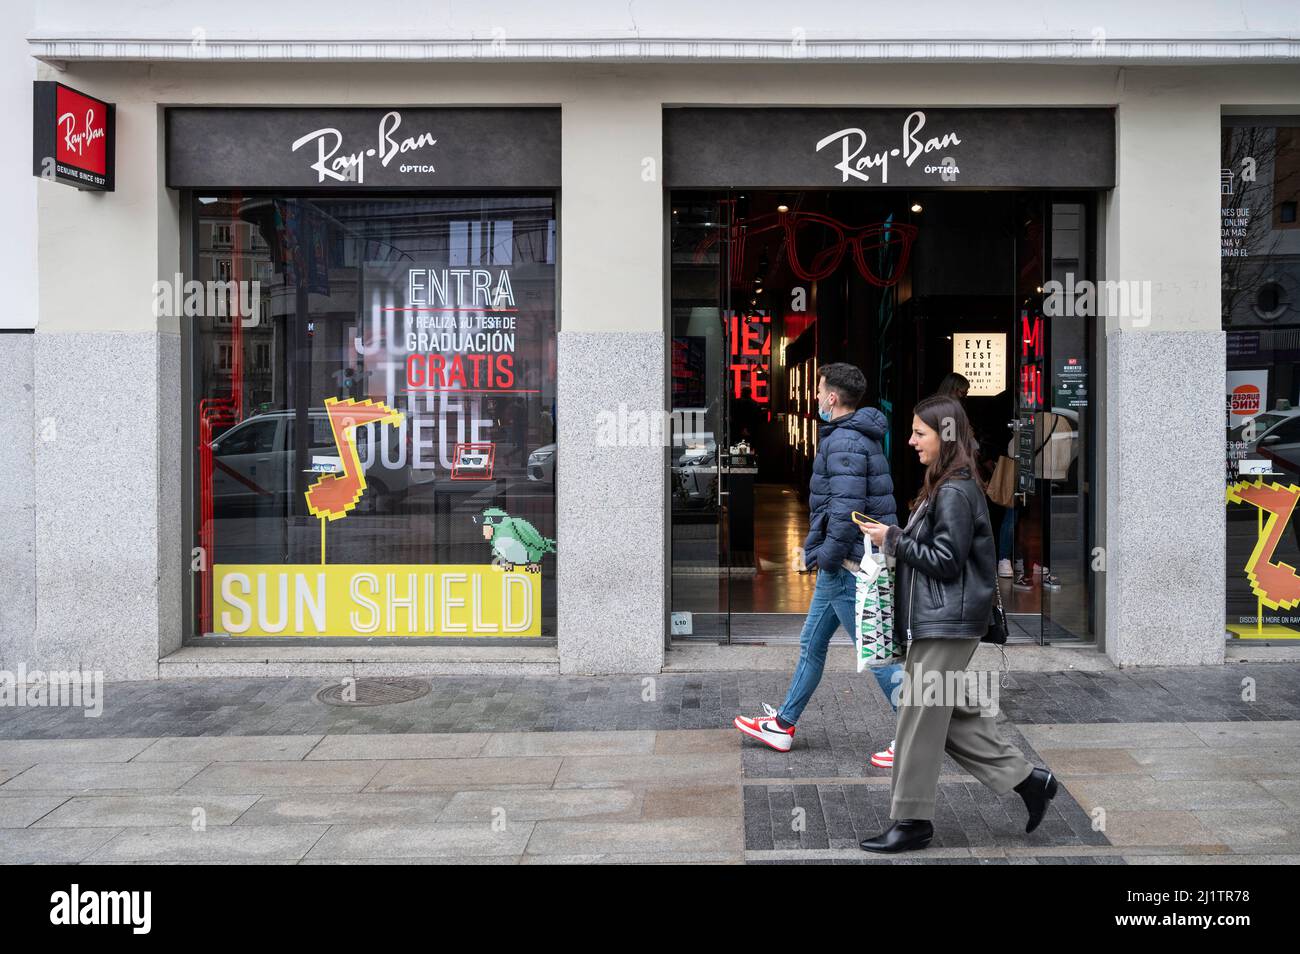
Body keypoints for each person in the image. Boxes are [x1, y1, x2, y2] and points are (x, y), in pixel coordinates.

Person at [857, 394, 1058, 852]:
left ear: (944, 436)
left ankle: (911, 822)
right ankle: (1030, 782)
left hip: (947, 622)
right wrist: (899, 537)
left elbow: (946, 561)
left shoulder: (954, 489)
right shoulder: (951, 483)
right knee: (947, 716)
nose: (909, 441)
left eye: (919, 433)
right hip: (942, 620)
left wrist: (893, 539)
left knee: (916, 717)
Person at [734, 362, 901, 753]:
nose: (815, 398)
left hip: (847, 565)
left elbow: (847, 510)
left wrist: (825, 555)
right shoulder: (859, 434)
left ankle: (917, 733)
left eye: (819, 389)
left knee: (876, 653)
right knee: (813, 642)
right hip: (846, 562)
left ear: (831, 397)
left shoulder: (843, 441)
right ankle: (782, 724)